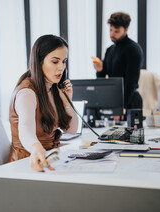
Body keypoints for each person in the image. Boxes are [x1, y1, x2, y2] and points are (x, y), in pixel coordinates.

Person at [8, 34, 78, 172]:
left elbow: (72, 130)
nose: (61, 67)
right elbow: (25, 128)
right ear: (39, 62)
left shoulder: (53, 88)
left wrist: (67, 101)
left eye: (64, 61)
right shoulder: (27, 93)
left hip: (49, 159)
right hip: (26, 164)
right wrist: (35, 147)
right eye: (55, 62)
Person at [92, 12, 144, 111]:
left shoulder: (133, 49)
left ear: (126, 29)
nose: (112, 34)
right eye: (111, 30)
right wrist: (99, 70)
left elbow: (131, 83)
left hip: (129, 102)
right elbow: (103, 81)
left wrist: (121, 107)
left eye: (116, 31)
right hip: (115, 100)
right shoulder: (110, 50)